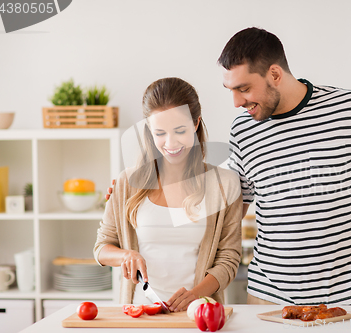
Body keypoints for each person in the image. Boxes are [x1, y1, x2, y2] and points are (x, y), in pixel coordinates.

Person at [218, 27, 351, 306]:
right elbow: (235, 209)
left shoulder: (350, 109)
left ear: (275, 74)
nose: (237, 102)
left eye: (244, 88)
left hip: (347, 300)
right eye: (231, 90)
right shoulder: (243, 129)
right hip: (267, 301)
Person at [94, 77, 242, 311]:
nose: (170, 142)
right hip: (140, 316)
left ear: (196, 123)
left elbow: (229, 259)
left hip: (199, 315)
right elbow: (102, 247)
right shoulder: (127, 183)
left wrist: (194, 295)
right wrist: (125, 256)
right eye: (160, 132)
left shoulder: (224, 184)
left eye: (180, 130)